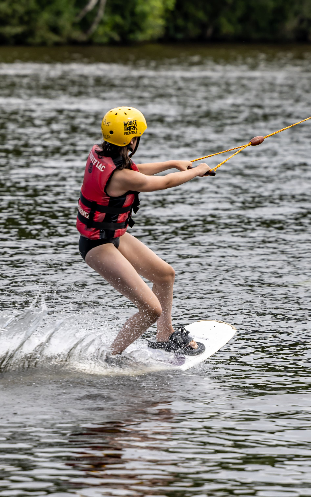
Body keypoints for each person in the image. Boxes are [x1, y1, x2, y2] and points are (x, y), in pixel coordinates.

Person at [77, 107, 213, 359]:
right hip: (98, 246)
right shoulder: (122, 176)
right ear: (131, 140)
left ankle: (165, 336)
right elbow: (163, 183)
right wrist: (196, 171)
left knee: (164, 275)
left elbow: (137, 171)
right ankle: (110, 357)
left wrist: (174, 163)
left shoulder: (99, 152)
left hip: (112, 236)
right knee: (151, 309)